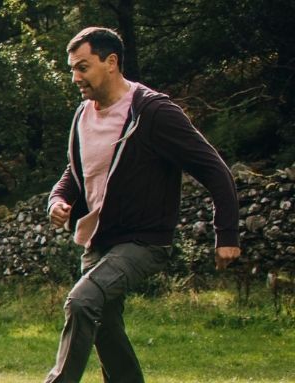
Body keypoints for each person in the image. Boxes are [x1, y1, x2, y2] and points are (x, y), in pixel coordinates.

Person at [43, 27, 241, 383]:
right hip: (98, 241)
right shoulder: (83, 115)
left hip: (143, 241)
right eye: (72, 68)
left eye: (83, 67)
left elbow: (213, 168)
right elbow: (76, 170)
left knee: (83, 301)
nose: (75, 77)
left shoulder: (152, 112)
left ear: (112, 62)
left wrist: (227, 233)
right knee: (103, 324)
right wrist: (58, 198)